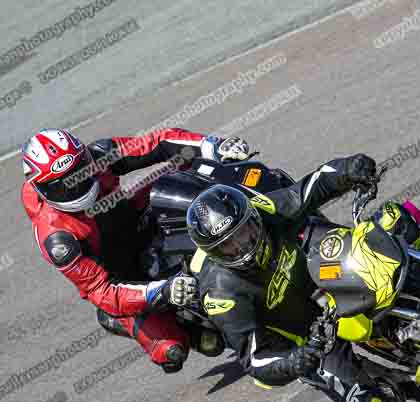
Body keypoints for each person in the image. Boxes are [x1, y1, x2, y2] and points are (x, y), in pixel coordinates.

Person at [185, 154, 420, 402]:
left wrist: (348, 169)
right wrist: (295, 360)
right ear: (214, 254)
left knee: (394, 219)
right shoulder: (221, 294)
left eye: (245, 232)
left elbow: (309, 188)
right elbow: (255, 361)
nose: (243, 246)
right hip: (310, 337)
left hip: (324, 270)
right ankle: (398, 384)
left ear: (252, 217)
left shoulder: (264, 208)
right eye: (229, 246)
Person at [21, 127, 250, 373]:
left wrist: (212, 146)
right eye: (63, 186)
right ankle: (123, 321)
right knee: (175, 349)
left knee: (181, 175)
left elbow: (157, 142)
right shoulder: (58, 240)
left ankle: (252, 212)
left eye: (79, 173)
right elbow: (102, 290)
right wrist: (163, 291)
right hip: (121, 278)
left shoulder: (100, 155)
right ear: (42, 190)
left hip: (133, 221)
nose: (75, 186)